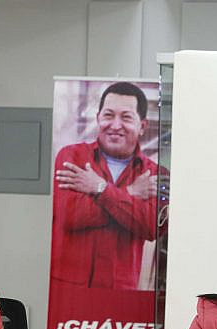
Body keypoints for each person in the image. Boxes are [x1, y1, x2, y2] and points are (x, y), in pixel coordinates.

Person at [51, 81, 159, 289]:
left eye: (126, 117)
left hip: (120, 291)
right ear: (98, 118)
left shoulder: (152, 173)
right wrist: (130, 193)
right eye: (108, 115)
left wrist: (99, 189)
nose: (115, 125)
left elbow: (150, 226)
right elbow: (70, 215)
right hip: (68, 291)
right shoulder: (72, 157)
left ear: (142, 126)